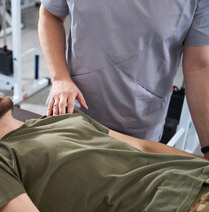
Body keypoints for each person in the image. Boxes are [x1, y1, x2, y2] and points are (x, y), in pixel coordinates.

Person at [0, 83, 209, 212]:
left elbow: (143, 145)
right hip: (174, 211)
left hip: (196, 176)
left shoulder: (64, 118)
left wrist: (202, 164)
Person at [38, 1, 209, 158]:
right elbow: (50, 15)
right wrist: (60, 78)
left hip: (136, 129)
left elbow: (198, 66)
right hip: (70, 111)